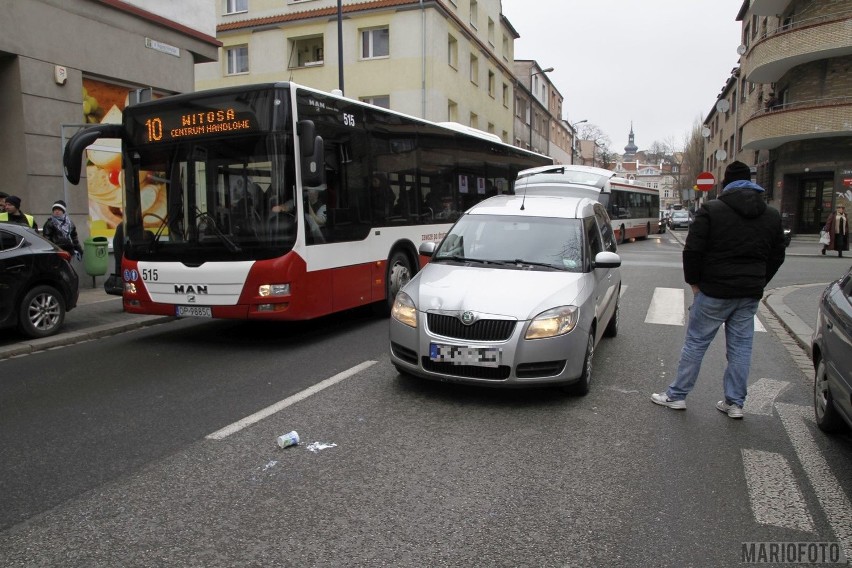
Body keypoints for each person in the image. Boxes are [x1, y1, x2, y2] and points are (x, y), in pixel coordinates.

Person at [651, 161, 786, 419]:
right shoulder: (771, 214)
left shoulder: (712, 210)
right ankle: (734, 403)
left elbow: (692, 250)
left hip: (713, 291)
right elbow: (778, 255)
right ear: (753, 183)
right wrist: (760, 281)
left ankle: (677, 395)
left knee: (696, 343)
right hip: (748, 294)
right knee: (741, 347)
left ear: (726, 184)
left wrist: (695, 284)